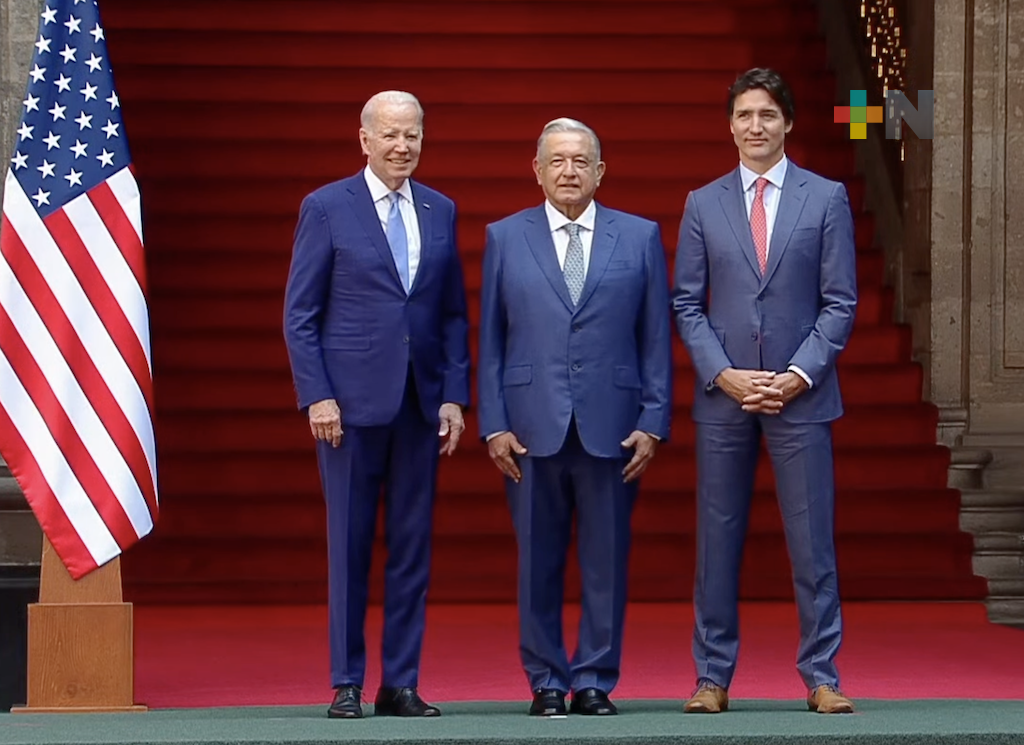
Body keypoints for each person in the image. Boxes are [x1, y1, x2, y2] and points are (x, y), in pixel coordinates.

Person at [672, 68, 858, 714]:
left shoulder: (825, 197)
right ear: (730, 125)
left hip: (800, 395)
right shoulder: (703, 202)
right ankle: (712, 675)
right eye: (746, 115)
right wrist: (722, 372)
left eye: (768, 115)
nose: (756, 126)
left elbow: (839, 302)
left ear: (788, 123)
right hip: (725, 396)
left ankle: (822, 673)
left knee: (812, 539)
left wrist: (798, 373)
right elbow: (686, 303)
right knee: (716, 541)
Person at [283, 91, 470, 719]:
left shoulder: (441, 210)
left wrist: (453, 396)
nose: (402, 147)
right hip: (348, 409)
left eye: (412, 135)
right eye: (389, 135)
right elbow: (300, 315)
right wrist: (318, 395)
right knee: (350, 544)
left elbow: (451, 315)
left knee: (413, 548)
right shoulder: (327, 207)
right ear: (363, 139)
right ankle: (346, 682)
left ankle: (402, 683)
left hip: (420, 404)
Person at [477, 117, 672, 717]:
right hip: (530, 426)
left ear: (600, 171)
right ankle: (545, 680)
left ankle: (593, 678)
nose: (568, 171)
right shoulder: (505, 237)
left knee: (605, 561)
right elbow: (492, 338)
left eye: (580, 161)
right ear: (536, 170)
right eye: (556, 161)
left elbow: (655, 337)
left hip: (612, 423)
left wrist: (654, 417)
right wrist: (493, 422)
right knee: (536, 560)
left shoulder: (638, 237)